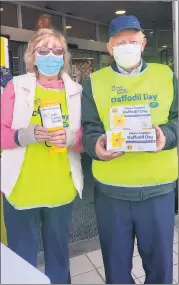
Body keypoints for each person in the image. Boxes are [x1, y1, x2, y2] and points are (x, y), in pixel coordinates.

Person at [82, 15, 178, 284]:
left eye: (132, 41)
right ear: (110, 48)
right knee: (116, 270)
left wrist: (167, 135)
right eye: (120, 42)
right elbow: (89, 129)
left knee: (160, 270)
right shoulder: (95, 82)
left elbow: (178, 120)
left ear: (143, 43)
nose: (127, 46)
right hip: (112, 192)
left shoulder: (166, 76)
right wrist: (96, 147)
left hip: (158, 189)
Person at [1, 28, 83, 284]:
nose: (51, 55)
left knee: (58, 256)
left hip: (60, 188)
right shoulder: (16, 87)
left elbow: (85, 139)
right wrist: (23, 135)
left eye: (57, 50)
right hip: (22, 189)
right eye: (43, 50)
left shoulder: (77, 92)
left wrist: (71, 139)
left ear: (64, 56)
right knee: (22, 258)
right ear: (31, 56)